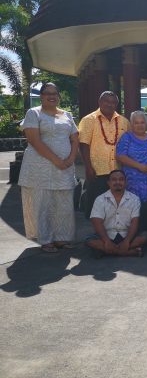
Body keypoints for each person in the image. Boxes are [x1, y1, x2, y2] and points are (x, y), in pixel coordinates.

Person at [18, 82, 79, 252]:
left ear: (59, 96)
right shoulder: (33, 113)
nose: (51, 96)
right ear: (41, 96)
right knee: (42, 203)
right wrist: (56, 160)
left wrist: (71, 157)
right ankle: (46, 240)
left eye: (54, 93)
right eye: (47, 93)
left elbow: (75, 137)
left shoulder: (67, 114)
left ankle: (62, 238)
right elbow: (34, 140)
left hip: (65, 166)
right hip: (40, 167)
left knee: (63, 202)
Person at [78, 91, 130, 218]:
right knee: (96, 205)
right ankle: (96, 234)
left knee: (116, 205)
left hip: (118, 170)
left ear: (117, 104)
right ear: (100, 102)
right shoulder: (88, 120)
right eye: (106, 101)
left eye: (113, 102)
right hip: (97, 170)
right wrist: (88, 167)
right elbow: (84, 145)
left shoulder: (124, 122)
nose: (109, 104)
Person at [86, 169, 147, 258]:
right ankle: (129, 252)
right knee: (89, 240)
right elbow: (97, 222)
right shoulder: (100, 199)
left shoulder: (134, 199)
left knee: (145, 235)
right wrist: (107, 241)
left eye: (121, 179)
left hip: (127, 235)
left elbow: (135, 222)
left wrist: (127, 241)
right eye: (114, 180)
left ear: (126, 182)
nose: (117, 182)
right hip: (107, 235)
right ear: (108, 183)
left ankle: (106, 251)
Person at [116, 111, 147, 203]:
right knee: (132, 207)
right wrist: (140, 167)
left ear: (146, 123)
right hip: (131, 180)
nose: (140, 125)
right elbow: (120, 156)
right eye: (136, 123)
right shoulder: (127, 137)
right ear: (132, 124)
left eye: (142, 122)